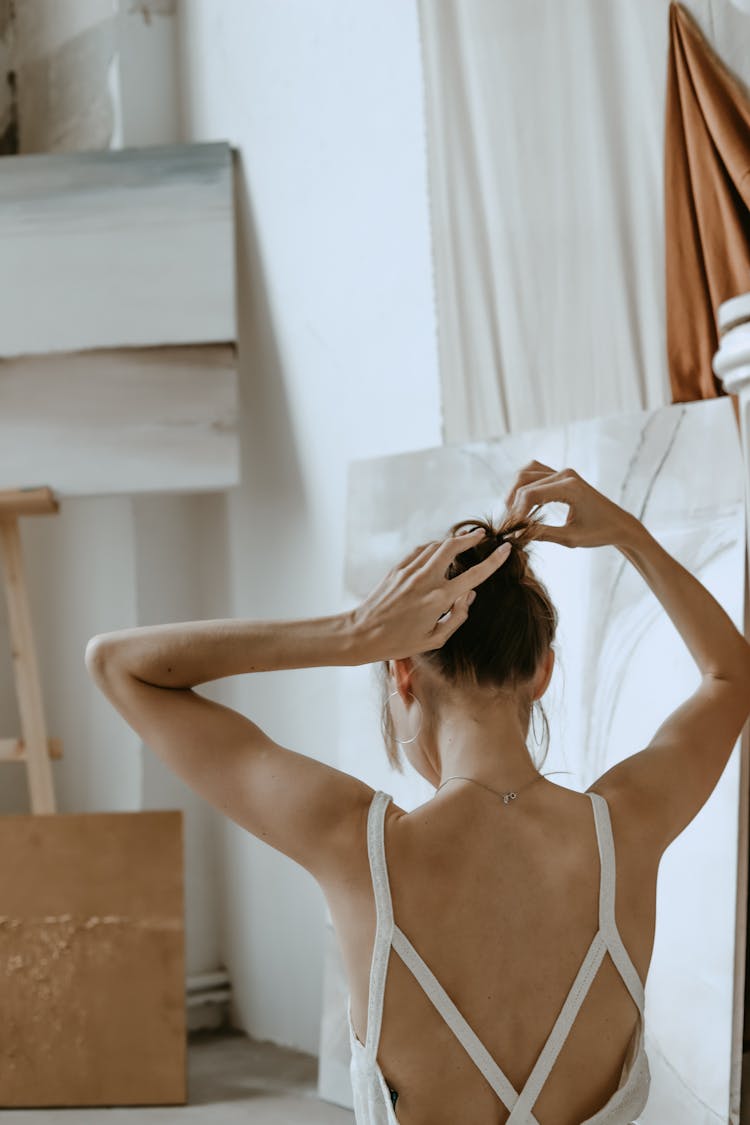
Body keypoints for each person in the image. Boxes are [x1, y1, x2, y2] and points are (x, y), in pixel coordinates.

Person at [85, 460, 750, 1125]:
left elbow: (119, 666)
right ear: (542, 668)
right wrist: (630, 534)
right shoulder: (627, 824)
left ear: (401, 674)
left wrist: (350, 633)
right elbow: (730, 676)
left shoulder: (354, 841)